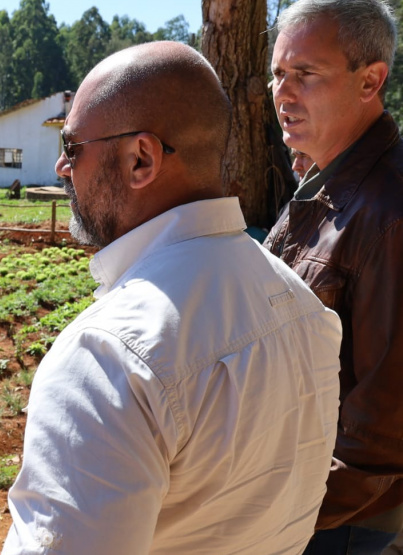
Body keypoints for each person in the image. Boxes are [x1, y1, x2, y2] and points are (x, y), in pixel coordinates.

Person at [2, 41, 342, 555]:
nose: (60, 168)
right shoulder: (304, 307)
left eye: (72, 148)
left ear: (141, 159)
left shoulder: (108, 358)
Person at [265, 1, 403, 553]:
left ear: (370, 80)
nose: (283, 92)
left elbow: (383, 432)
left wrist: (275, 515)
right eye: (278, 74)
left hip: (343, 521)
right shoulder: (324, 185)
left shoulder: (389, 212)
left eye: (306, 74)